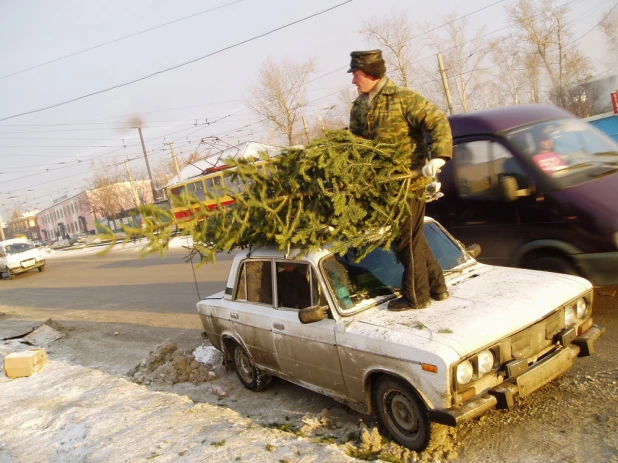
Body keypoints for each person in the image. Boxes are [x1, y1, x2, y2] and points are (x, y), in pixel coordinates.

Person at [348, 49, 452, 311]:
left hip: (410, 182)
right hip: (384, 188)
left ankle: (416, 296)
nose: (353, 81)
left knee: (406, 240)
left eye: (356, 74)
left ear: (371, 73)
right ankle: (438, 288)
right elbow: (356, 146)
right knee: (414, 237)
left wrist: (439, 157)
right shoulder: (360, 106)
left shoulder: (404, 99)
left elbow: (437, 121)